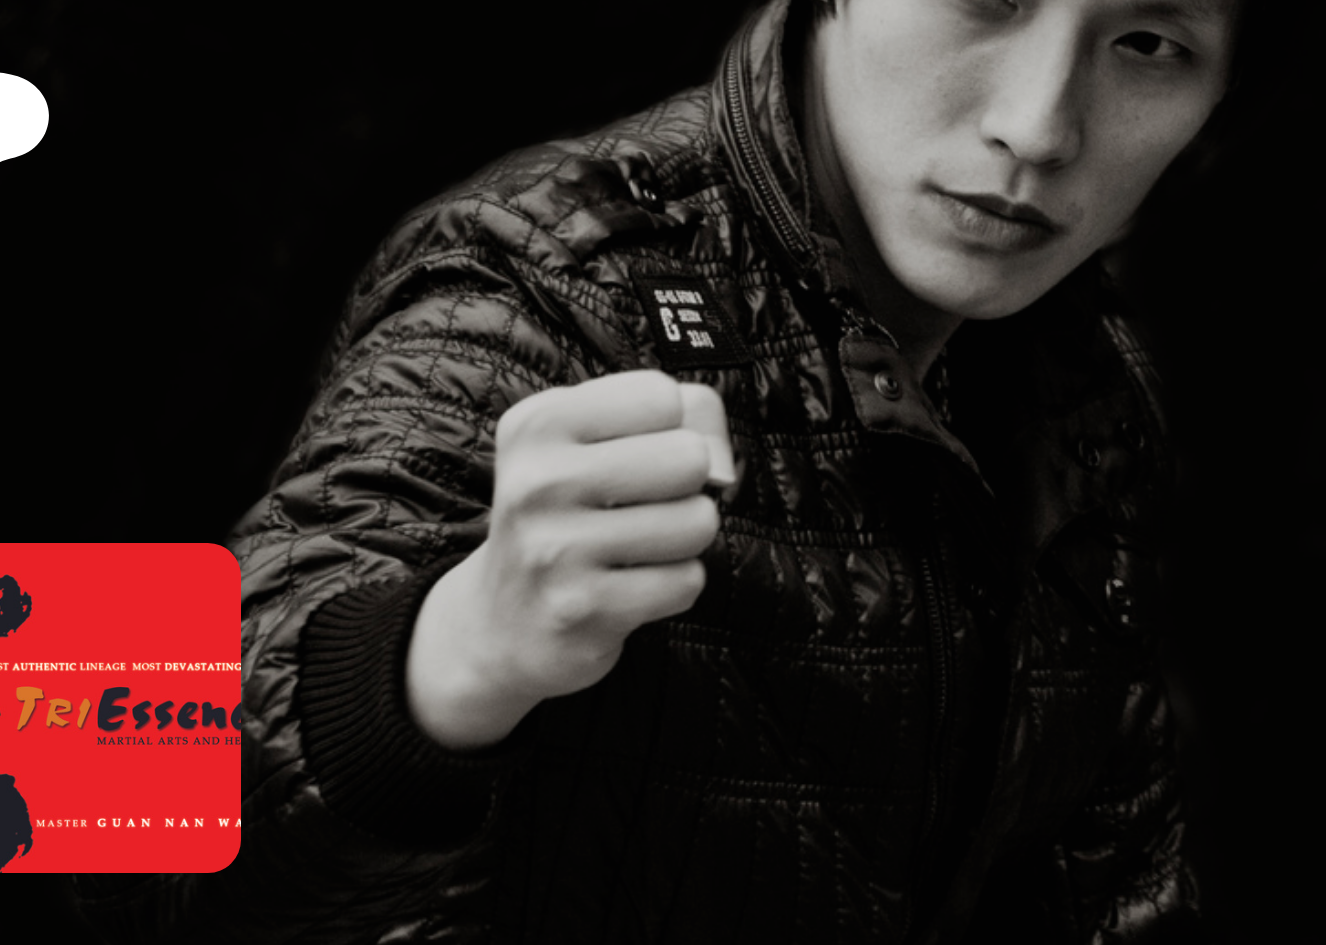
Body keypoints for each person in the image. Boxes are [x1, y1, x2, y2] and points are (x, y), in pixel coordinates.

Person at [77, 0, 1241, 940]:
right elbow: (78, 803)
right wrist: (448, 657)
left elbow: (1109, 877)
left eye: (1149, 42)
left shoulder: (1090, 375)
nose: (1039, 127)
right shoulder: (542, 274)